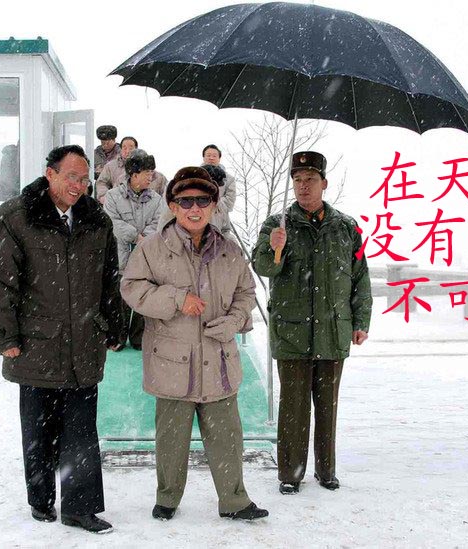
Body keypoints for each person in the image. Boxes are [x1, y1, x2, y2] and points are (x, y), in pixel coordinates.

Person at [0, 144, 121, 534]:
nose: (78, 185)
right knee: (39, 430)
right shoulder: (16, 217)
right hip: (36, 343)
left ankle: (79, 508)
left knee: (81, 431)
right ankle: (41, 499)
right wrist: (4, 335)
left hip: (85, 342)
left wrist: (114, 325)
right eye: (71, 176)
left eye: (85, 178)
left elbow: (109, 278)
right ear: (50, 174)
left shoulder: (96, 220)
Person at [121, 167, 269, 522]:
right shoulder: (152, 250)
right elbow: (132, 289)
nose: (194, 208)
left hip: (219, 359)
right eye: (185, 201)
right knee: (171, 439)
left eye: (203, 200)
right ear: (172, 206)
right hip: (172, 361)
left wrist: (234, 321)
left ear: (214, 206)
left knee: (227, 437)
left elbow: (246, 293)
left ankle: (234, 501)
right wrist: (176, 299)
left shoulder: (230, 251)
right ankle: (167, 498)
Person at [251, 150, 372, 495]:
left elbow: (359, 276)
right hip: (292, 330)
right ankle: (291, 474)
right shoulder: (277, 225)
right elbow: (264, 267)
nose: (303, 186)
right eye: (298, 180)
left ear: (324, 183)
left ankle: (326, 470)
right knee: (293, 407)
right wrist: (274, 247)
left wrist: (361, 320)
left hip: (333, 329)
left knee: (327, 406)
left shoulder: (347, 227)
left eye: (310, 180)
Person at [104, 149, 164, 350]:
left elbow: (159, 223)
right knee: (119, 298)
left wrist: (144, 238)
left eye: (151, 172)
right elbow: (111, 221)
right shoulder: (113, 196)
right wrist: (135, 236)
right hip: (120, 254)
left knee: (142, 295)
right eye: (147, 172)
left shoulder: (156, 199)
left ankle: (138, 338)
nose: (151, 177)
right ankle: (117, 338)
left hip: (145, 256)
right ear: (134, 174)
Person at [96, 136, 168, 202]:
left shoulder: (157, 177)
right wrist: (104, 196)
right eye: (124, 148)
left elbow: (166, 193)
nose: (127, 151)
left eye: (131, 148)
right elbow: (102, 182)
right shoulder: (113, 170)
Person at [201, 144, 236, 236]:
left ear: (219, 158)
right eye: (208, 155)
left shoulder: (229, 179)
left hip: (220, 222)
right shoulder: (193, 176)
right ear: (203, 158)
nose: (211, 158)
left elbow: (230, 202)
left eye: (214, 156)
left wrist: (213, 204)